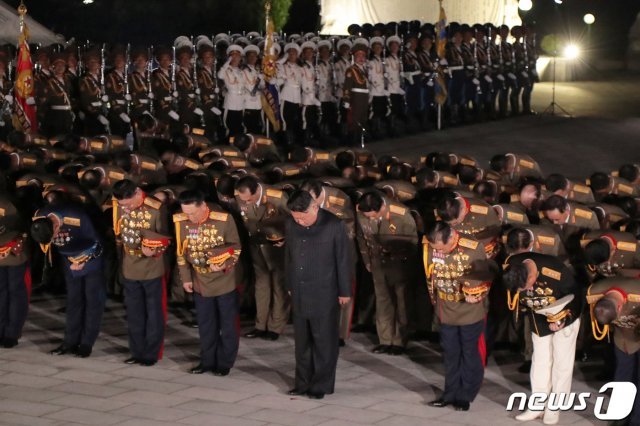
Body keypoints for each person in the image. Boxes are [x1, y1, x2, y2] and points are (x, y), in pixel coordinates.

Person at [285, 190, 352, 399]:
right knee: (302, 342)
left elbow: (343, 259)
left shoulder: (333, 225)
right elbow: (288, 256)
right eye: (296, 217)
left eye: (303, 216)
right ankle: (302, 382)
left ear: (315, 207)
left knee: (324, 342)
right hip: (299, 290)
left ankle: (320, 385)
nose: (299, 221)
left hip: (324, 291)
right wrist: (289, 283)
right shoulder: (291, 224)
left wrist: (344, 290)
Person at [423, 221, 495, 411]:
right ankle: (449, 393)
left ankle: (465, 395)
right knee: (450, 353)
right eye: (436, 249)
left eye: (442, 248)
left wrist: (476, 293)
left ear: (451, 237)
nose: (440, 252)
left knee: (469, 352)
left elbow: (484, 275)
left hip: (469, 309)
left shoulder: (473, 247)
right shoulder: (428, 246)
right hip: (446, 307)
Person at [503, 252, 582, 425]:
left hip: (563, 312)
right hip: (538, 315)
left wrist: (565, 318)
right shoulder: (512, 264)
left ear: (532, 275)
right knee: (540, 362)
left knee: (561, 363)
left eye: (527, 287)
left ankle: (554, 407)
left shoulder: (555, 269)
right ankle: (537, 406)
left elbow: (577, 297)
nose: (527, 291)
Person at [174, 190, 243, 376]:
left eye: (193, 213)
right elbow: (181, 252)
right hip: (200, 281)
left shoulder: (223, 220)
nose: (189, 217)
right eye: (186, 213)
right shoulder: (180, 222)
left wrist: (223, 264)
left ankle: (225, 362)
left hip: (224, 280)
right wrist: (186, 278)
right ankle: (207, 360)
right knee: (206, 324)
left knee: (227, 324)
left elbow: (236, 247)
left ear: (204, 206)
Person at [31, 203, 106, 358]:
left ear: (56, 227)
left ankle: (86, 343)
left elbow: (98, 243)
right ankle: (69, 342)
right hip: (68, 259)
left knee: (92, 301)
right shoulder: (40, 215)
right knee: (73, 300)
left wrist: (84, 260)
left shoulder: (77, 217)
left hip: (91, 257)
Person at [112, 179, 170, 366]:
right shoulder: (119, 205)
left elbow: (165, 237)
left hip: (151, 267)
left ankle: (151, 353)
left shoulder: (155, 208)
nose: (126, 208)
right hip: (130, 266)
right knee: (134, 313)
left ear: (137, 193)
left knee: (154, 313)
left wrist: (154, 250)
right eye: (123, 205)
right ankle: (137, 351)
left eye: (129, 203)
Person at [356, 191, 417, 355]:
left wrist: (397, 254)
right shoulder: (361, 211)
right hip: (377, 264)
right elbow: (361, 237)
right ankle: (385, 339)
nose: (370, 220)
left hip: (399, 266)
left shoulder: (402, 214)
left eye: (373, 216)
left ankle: (399, 341)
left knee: (402, 303)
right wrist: (367, 261)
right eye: (367, 216)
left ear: (382, 208)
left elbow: (413, 243)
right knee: (383, 302)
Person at [235, 175, 289, 340]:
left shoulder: (278, 197)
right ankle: (260, 325)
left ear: (258, 189)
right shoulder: (240, 196)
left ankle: (275, 327)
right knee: (261, 286)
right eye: (244, 200)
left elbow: (293, 220)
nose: (247, 202)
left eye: (250, 199)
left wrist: (286, 239)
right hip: (256, 246)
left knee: (279, 287)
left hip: (277, 248)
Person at [588, 277, 640, 426]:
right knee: (622, 376)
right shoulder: (596, 291)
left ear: (619, 307)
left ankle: (636, 420)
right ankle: (620, 416)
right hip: (622, 338)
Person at [0, 194, 30, 348]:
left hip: (12, 252)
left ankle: (12, 332)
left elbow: (21, 226)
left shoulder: (7, 204)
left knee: (15, 293)